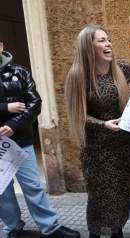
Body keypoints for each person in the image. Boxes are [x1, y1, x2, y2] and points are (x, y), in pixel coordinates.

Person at [64, 25, 130, 238]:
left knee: (120, 192)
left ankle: (117, 231)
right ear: (88, 47)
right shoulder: (78, 76)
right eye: (101, 40)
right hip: (96, 149)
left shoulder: (122, 69)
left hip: (124, 145)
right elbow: (78, 115)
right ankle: (96, 233)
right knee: (99, 195)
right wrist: (103, 124)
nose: (108, 44)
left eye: (108, 39)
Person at [0, 42, 81, 238]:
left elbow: (34, 104)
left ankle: (50, 227)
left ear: (1, 46)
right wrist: (6, 108)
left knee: (32, 186)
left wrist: (13, 124)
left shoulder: (20, 72)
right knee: (2, 191)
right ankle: (12, 227)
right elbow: (15, 106)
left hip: (20, 140)